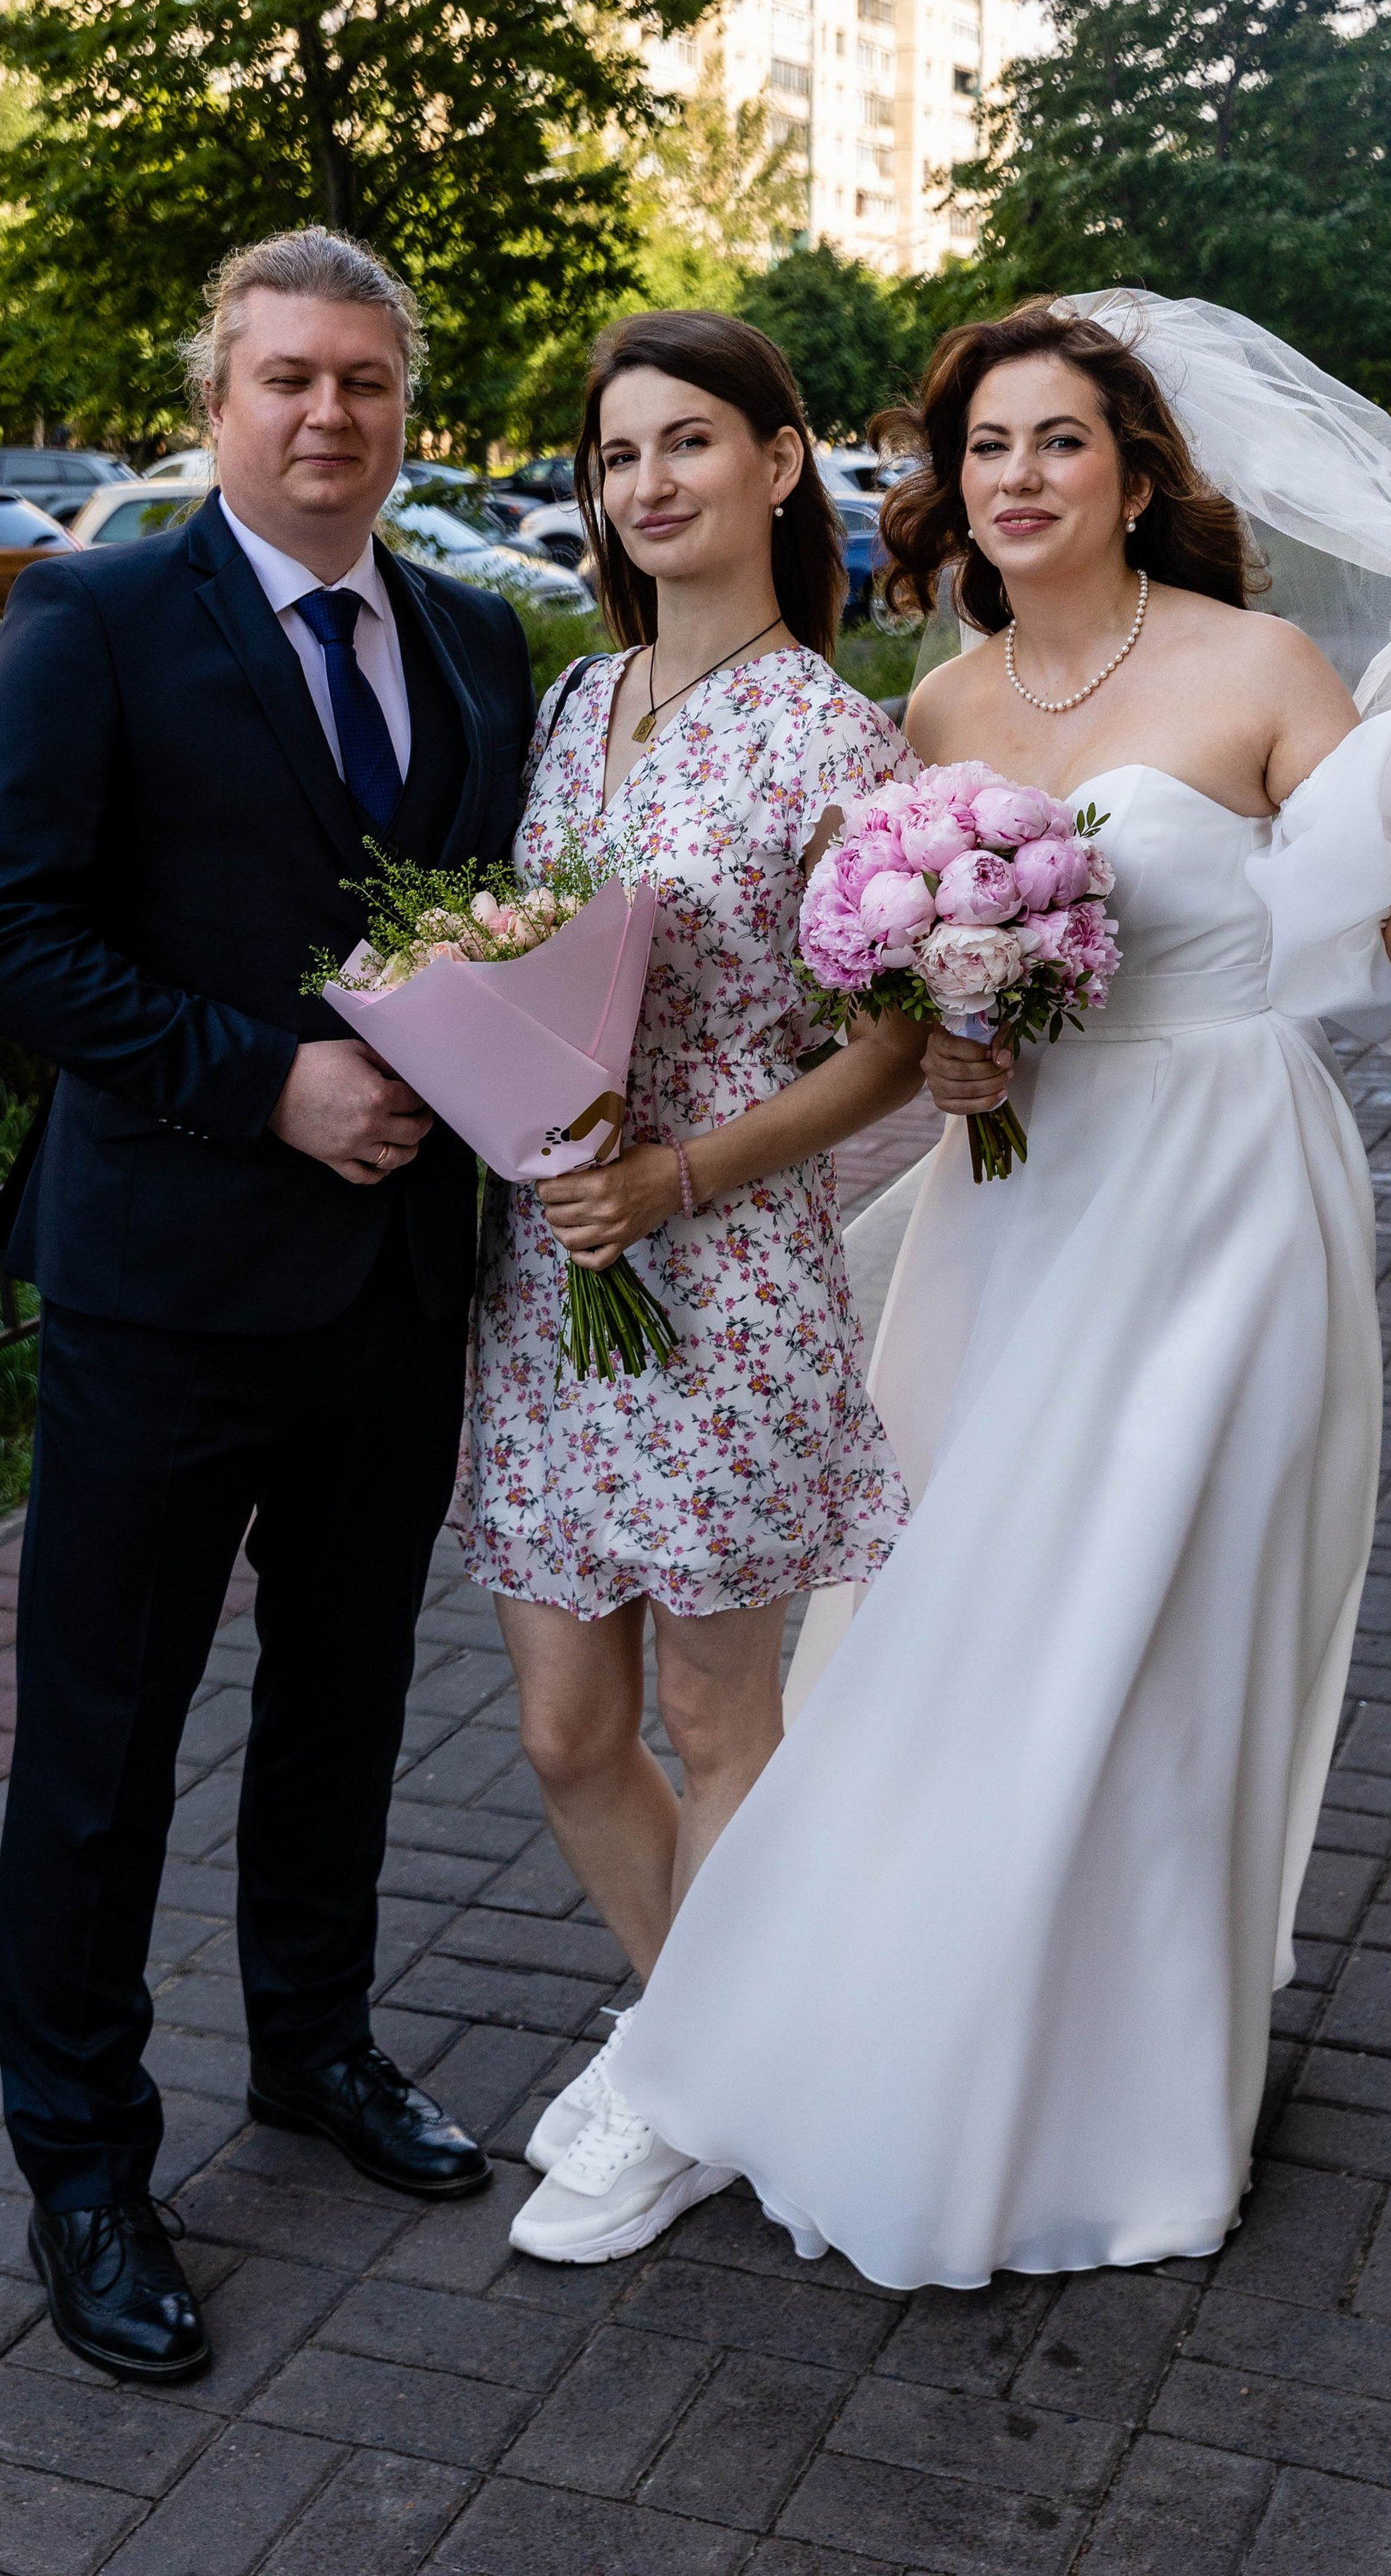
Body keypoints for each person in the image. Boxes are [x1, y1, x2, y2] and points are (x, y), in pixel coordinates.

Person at [511, 290, 1391, 2280]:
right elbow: (906, 1007)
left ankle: (1132, 2073)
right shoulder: (934, 708)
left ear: (1135, 476)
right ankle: (874, 2014)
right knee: (937, 1627)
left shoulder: (1250, 667)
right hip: (1013, 1200)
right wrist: (958, 1038)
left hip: (1220, 1200)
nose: (1013, 478)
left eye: (1056, 442)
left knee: (1154, 1640)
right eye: (982, 449)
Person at [0, 228, 535, 2384]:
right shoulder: (95, 618)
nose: (326, 417)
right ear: (216, 399)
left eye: (365, 383)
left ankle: (317, 2048)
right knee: (99, 1749)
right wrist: (262, 1078)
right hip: (165, 1294)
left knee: (346, 1703)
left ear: (405, 411)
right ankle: (85, 2166)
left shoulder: (475, 643)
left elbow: (491, 945)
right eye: (285, 377)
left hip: (391, 1287)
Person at [456, 310, 926, 2262]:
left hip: (723, 1286)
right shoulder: (582, 703)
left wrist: (678, 1172)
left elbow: (891, 1047)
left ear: (779, 462)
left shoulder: (834, 733)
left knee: (725, 1728)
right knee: (567, 1729)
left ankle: (685, 2092)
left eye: (687, 444)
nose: (645, 483)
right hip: (552, 1283)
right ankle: (706, 2036)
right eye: (613, 454)